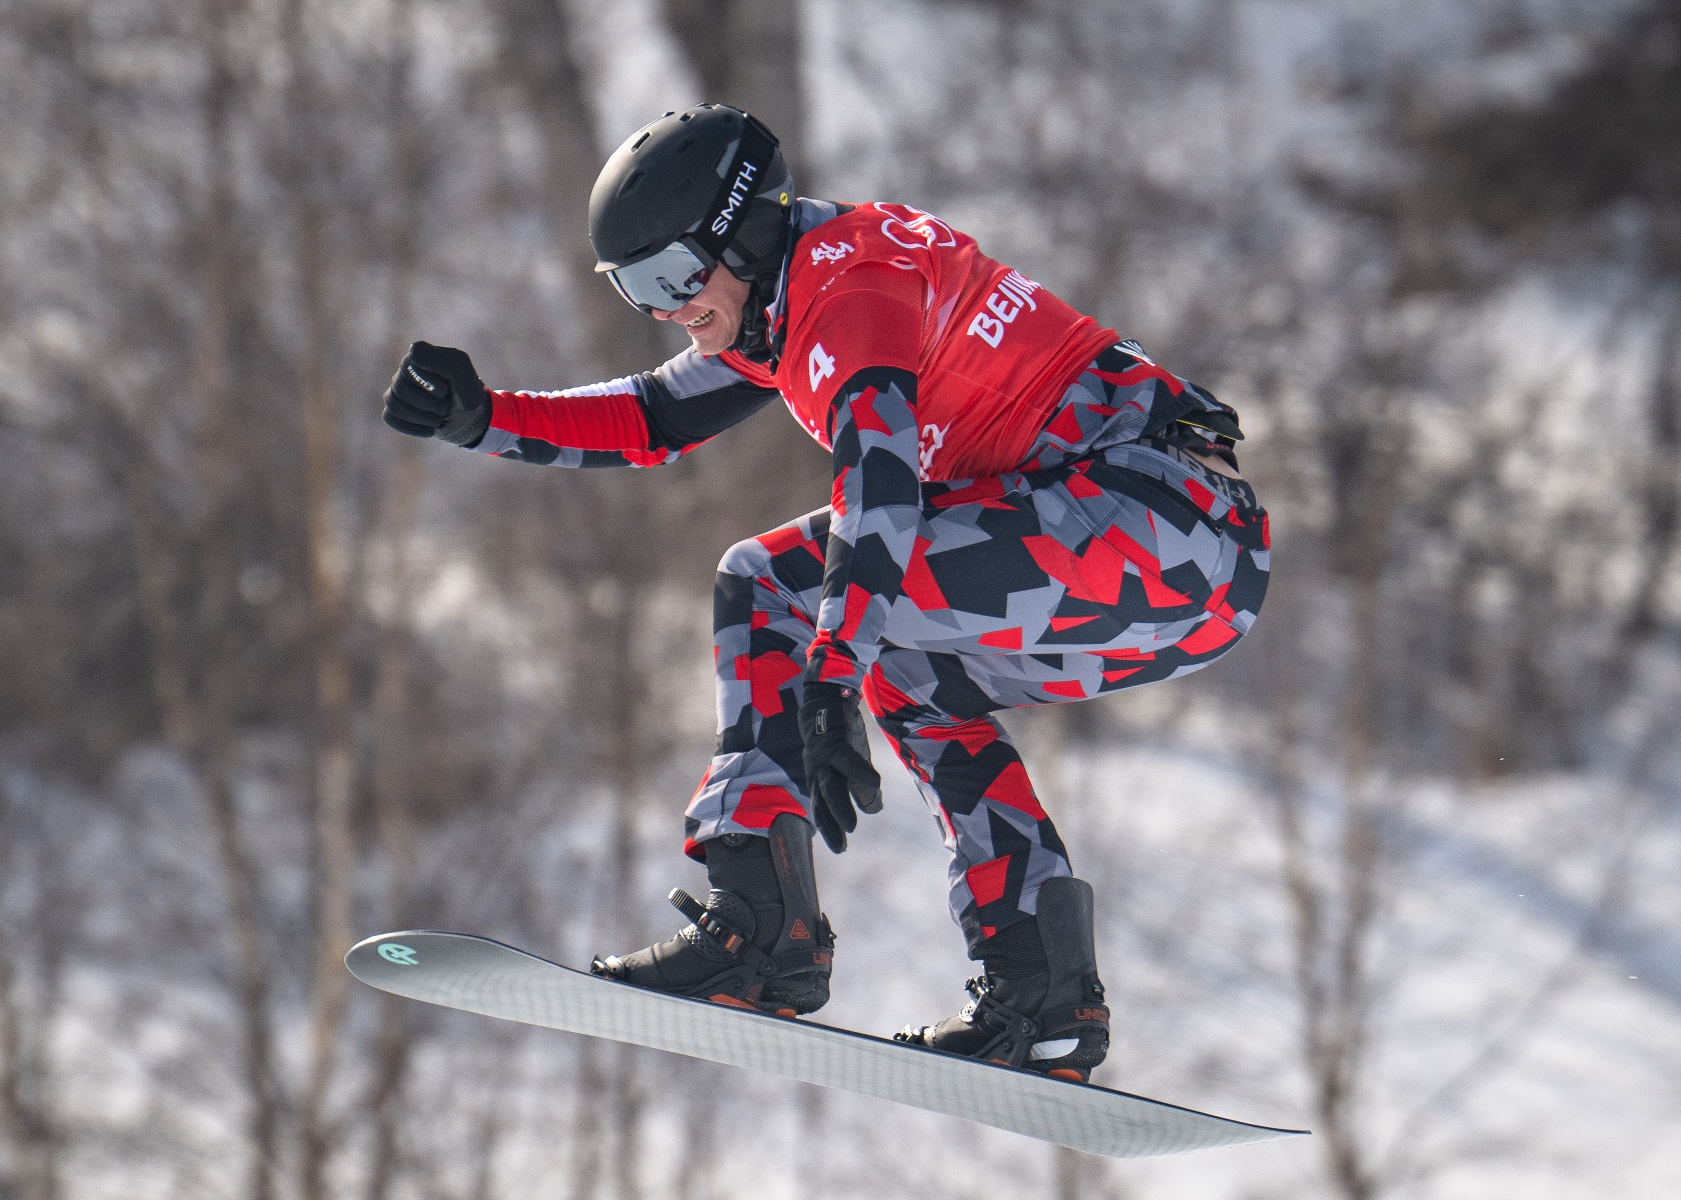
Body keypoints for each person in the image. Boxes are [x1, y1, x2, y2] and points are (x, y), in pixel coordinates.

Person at [381, 103, 1269, 1083]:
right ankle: (1040, 991)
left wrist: (829, 670)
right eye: (638, 289)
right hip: (1181, 568)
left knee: (767, 587)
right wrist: (482, 418)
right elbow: (651, 416)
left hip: (1158, 517)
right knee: (909, 673)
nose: (669, 307)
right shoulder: (782, 299)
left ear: (742, 231)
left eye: (675, 275)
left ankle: (759, 931)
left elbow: (878, 474)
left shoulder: (851, 285)